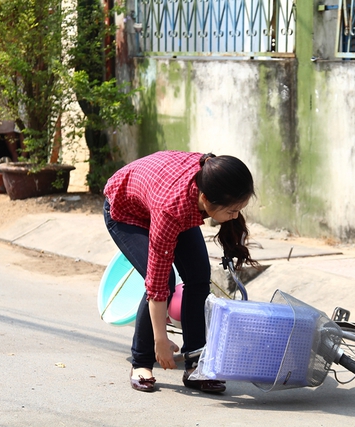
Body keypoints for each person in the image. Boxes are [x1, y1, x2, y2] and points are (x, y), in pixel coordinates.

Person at [103, 150, 257, 393]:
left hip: (163, 196)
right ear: (206, 200)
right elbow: (156, 285)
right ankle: (141, 361)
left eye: (239, 209)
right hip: (127, 211)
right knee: (164, 280)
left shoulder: (211, 173)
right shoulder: (170, 212)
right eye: (231, 211)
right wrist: (161, 340)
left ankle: (195, 363)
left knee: (198, 277)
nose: (236, 216)